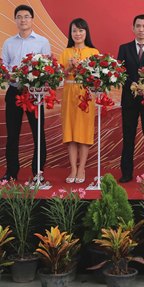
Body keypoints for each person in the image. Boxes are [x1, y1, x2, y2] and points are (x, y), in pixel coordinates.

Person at [1, 4, 52, 182]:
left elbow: (47, 68)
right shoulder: (8, 42)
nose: (23, 20)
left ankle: (38, 172)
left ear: (32, 19)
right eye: (19, 17)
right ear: (15, 20)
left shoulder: (42, 42)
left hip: (34, 93)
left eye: (26, 17)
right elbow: (3, 66)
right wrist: (8, 76)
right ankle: (11, 172)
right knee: (12, 134)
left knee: (38, 133)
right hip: (14, 91)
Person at [117, 15, 144, 184]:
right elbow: (120, 72)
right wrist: (131, 83)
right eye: (138, 26)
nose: (141, 29)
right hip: (129, 99)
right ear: (133, 28)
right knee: (128, 135)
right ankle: (126, 172)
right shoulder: (124, 48)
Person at [59, 18, 99, 183]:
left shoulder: (93, 52)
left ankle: (81, 168)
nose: (77, 34)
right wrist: (69, 67)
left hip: (86, 95)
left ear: (86, 32)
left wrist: (82, 68)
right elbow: (58, 77)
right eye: (74, 30)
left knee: (83, 132)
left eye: (81, 30)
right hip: (69, 95)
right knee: (70, 133)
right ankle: (73, 169)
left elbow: (97, 76)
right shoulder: (65, 52)